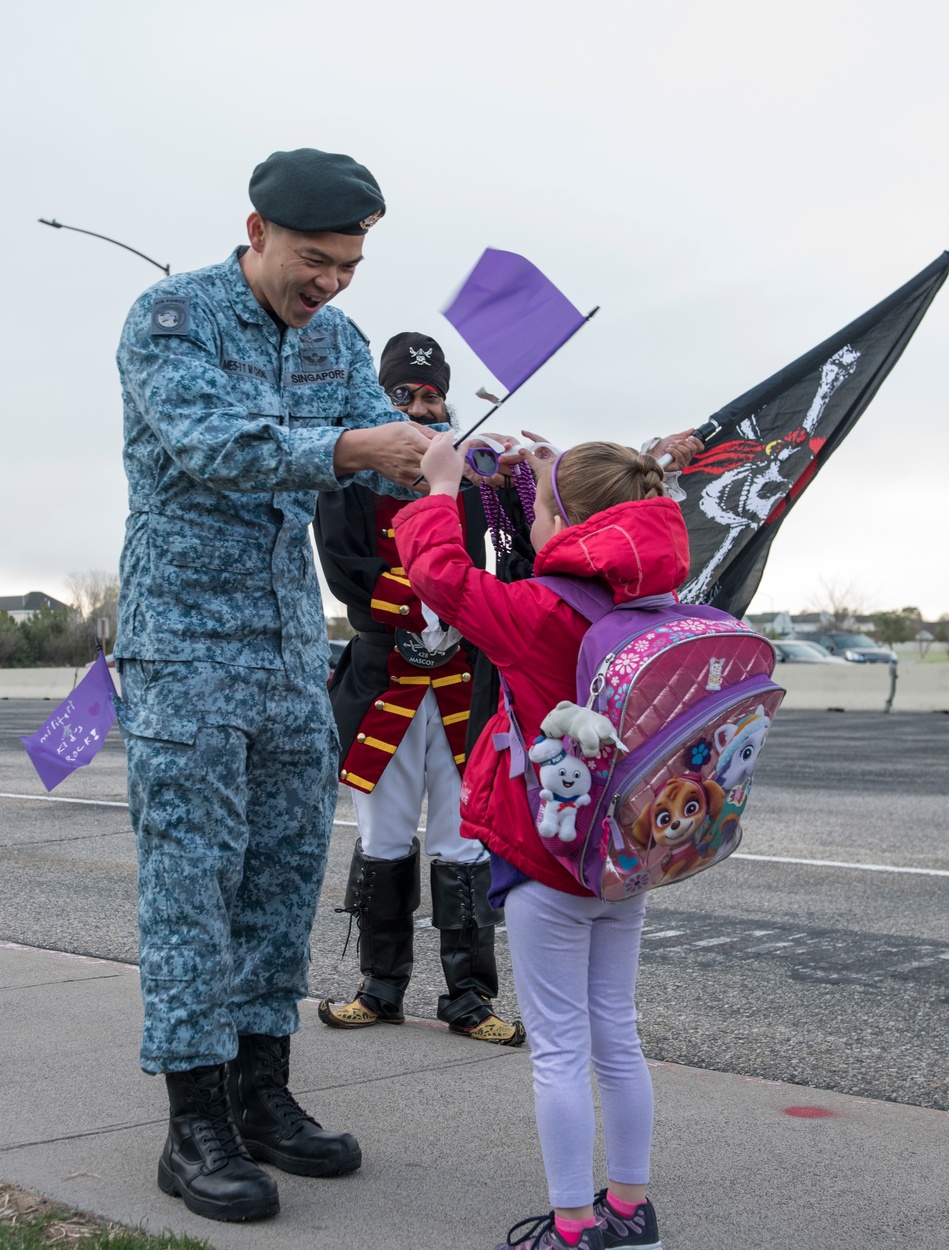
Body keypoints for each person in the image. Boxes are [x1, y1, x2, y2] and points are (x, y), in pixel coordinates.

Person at [114, 148, 437, 1224]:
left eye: (348, 264)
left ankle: (262, 1091)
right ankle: (193, 1117)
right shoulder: (170, 318)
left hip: (291, 645)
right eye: (315, 259)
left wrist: (448, 457)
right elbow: (219, 445)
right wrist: (357, 441)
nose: (332, 282)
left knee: (284, 874)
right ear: (255, 231)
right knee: (192, 881)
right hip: (185, 645)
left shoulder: (338, 341)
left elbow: (374, 453)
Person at [393, 435, 689, 1250]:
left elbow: (440, 579)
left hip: (546, 855)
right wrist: (554, 479)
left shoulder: (536, 613)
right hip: (622, 859)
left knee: (558, 1050)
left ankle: (570, 1226)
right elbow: (570, 522)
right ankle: (631, 1212)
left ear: (568, 520)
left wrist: (440, 490)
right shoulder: (655, 603)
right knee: (615, 1034)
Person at [313, 332, 525, 1047]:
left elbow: (515, 566)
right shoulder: (344, 480)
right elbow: (347, 575)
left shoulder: (478, 481)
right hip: (384, 684)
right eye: (403, 395)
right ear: (382, 401)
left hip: (465, 685)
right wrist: (429, 594)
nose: (421, 406)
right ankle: (380, 988)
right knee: (383, 836)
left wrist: (514, 486)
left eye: (431, 395)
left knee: (467, 839)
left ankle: (468, 998)